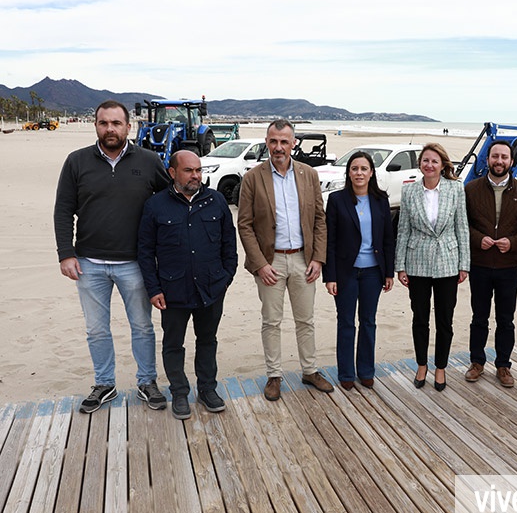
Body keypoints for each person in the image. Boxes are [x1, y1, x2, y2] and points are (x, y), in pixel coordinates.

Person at [54, 100, 171, 414]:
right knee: (96, 330)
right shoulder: (76, 161)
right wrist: (65, 253)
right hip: (89, 263)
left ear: (128, 127)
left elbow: (168, 203)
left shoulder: (149, 161)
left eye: (116, 123)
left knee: (142, 326)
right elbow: (63, 209)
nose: (110, 129)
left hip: (135, 263)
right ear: (95, 125)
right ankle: (104, 383)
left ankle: (147, 381)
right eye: (104, 123)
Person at [237, 119, 333, 401]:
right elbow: (245, 225)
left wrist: (318, 258)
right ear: (267, 142)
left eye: (284, 142)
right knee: (271, 321)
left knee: (306, 320)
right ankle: (274, 375)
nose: (278, 147)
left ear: (293, 144)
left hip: (304, 260)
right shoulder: (253, 177)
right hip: (271, 262)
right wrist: (260, 264)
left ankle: (310, 370)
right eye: (273, 141)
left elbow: (319, 219)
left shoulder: (308, 174)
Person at [137, 151, 238, 419]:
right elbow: (145, 252)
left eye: (198, 170)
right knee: (173, 344)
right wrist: (154, 289)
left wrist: (226, 278)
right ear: (172, 173)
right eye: (189, 171)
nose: (195, 176)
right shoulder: (155, 205)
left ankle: (207, 389)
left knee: (207, 341)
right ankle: (179, 393)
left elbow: (229, 244)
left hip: (211, 289)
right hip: (173, 291)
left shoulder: (216, 201)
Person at [463, 141, 517, 387]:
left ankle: (503, 365)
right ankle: (477, 362)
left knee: (506, 319)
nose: (499, 161)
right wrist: (478, 239)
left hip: (509, 266)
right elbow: (462, 223)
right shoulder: (471, 189)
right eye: (495, 156)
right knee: (479, 317)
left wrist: (513, 242)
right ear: (487, 160)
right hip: (480, 264)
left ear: (511, 161)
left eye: (504, 157)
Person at [396, 142, 469, 391]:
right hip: (416, 263)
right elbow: (403, 230)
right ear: (420, 164)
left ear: (442, 165)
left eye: (434, 161)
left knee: (445, 320)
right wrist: (400, 266)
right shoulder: (409, 191)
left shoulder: (455, 188)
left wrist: (464, 264)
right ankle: (421, 365)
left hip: (448, 262)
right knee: (420, 319)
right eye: (425, 160)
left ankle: (440, 368)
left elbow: (462, 228)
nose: (429, 165)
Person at [324, 151, 395, 390]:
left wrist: (389, 272)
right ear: (349, 173)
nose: (359, 173)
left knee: (368, 322)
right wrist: (330, 276)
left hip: (373, 272)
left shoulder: (381, 200)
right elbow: (330, 241)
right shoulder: (336, 200)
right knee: (346, 322)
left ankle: (366, 370)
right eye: (354, 169)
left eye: (364, 169)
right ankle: (346, 373)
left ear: (371, 172)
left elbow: (388, 239)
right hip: (346, 272)